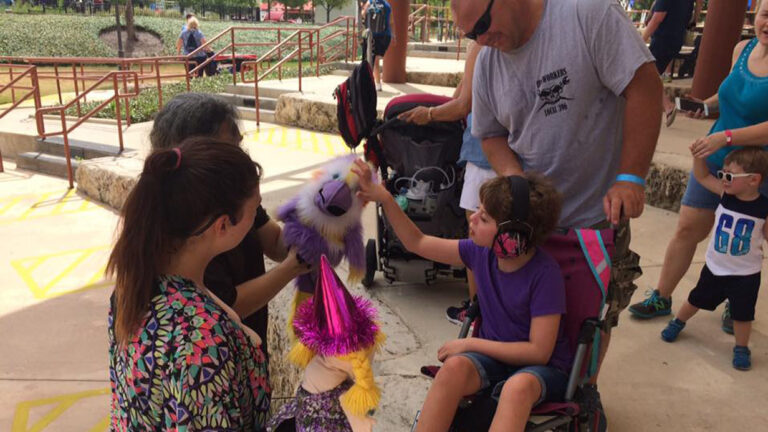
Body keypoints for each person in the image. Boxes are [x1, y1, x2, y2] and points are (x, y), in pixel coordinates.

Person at [451, 0, 662, 426]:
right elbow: (490, 133)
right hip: (531, 220)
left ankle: (583, 389)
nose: (482, 41)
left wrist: (630, 177)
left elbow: (645, 86)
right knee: (526, 310)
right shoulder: (490, 60)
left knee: (593, 316)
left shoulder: (587, 15)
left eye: (485, 26)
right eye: (471, 35)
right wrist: (516, 185)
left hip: (595, 215)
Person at [354, 159, 569, 432]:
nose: (472, 219)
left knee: (516, 388)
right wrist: (385, 198)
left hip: (540, 372)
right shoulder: (480, 252)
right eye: (477, 210)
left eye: (484, 217)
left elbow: (538, 352)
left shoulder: (545, 275)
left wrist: (471, 344)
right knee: (452, 369)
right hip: (494, 362)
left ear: (512, 237)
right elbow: (417, 242)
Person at [108, 139, 271, 429]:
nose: (258, 216)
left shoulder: (134, 286)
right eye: (255, 208)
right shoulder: (201, 340)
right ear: (223, 226)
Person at [629, 1, 768, 335]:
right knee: (688, 228)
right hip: (715, 156)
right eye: (766, 14)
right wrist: (704, 108)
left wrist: (727, 137)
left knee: (748, 240)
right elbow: (727, 94)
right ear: (757, 15)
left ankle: (738, 302)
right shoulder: (742, 48)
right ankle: (662, 296)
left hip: (755, 170)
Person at [149, 93, 309, 369]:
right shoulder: (203, 341)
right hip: (226, 362)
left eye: (239, 147)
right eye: (230, 150)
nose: (241, 158)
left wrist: (312, 228)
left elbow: (273, 241)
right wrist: (291, 268)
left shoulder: (233, 196)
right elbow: (228, 304)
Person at [397, 41, 493, 325]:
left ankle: (477, 311)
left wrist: (429, 115)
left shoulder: (482, 45)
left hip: (484, 156)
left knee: (478, 235)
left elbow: (464, 103)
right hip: (500, 151)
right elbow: (461, 94)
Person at [660, 147, 768, 371]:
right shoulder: (724, 194)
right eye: (722, 174)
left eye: (729, 176)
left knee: (743, 314)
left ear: (753, 180)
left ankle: (741, 347)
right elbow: (701, 176)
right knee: (695, 299)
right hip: (715, 267)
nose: (723, 179)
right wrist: (698, 157)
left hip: (745, 273)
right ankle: (678, 321)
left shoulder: (763, 207)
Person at [642, 0, 703, 127]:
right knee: (652, 75)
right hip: (676, 39)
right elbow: (691, 16)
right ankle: (665, 106)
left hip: (662, 39)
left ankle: (667, 106)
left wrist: (640, 41)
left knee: (646, 74)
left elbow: (657, 18)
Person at [361, 0, 394, 91]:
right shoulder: (387, 5)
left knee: (371, 60)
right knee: (375, 60)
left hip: (371, 35)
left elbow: (363, 15)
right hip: (385, 36)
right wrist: (394, 36)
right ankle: (377, 84)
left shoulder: (370, 2)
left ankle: (372, 83)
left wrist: (364, 8)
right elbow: (391, 22)